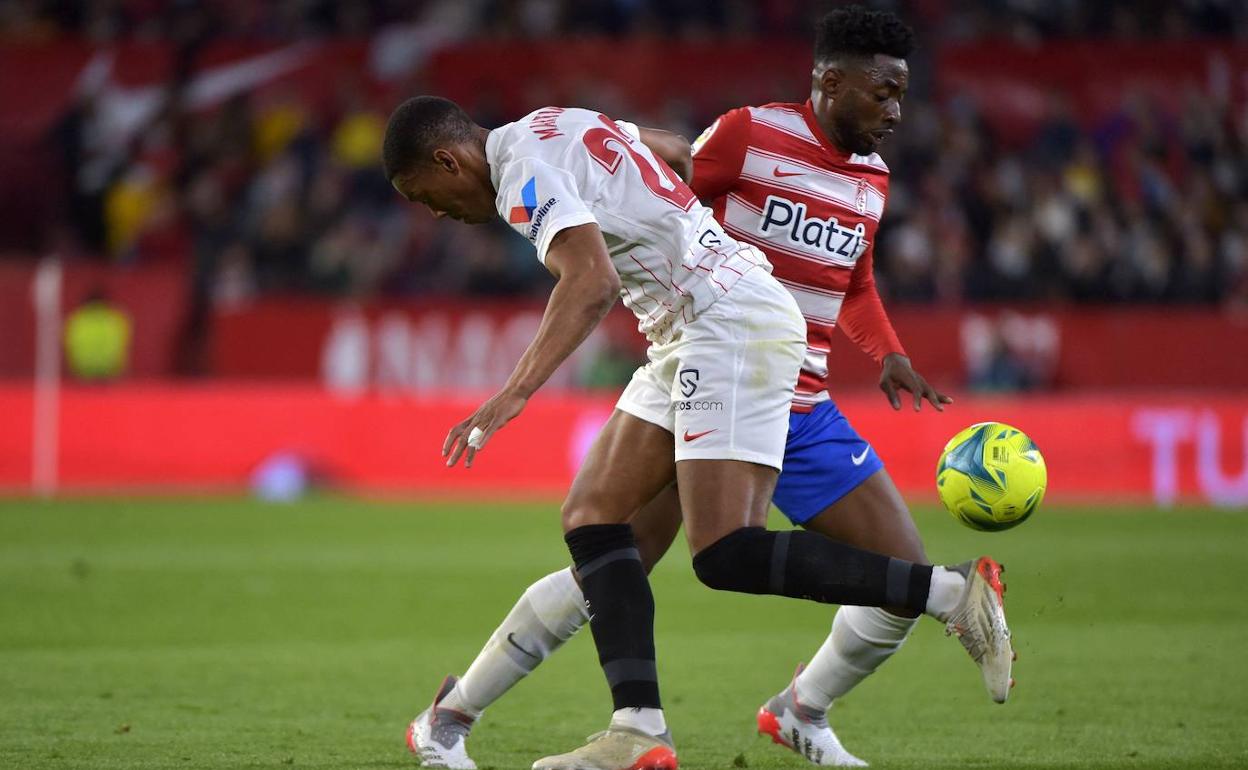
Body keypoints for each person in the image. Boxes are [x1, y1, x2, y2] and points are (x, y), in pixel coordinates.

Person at [385, 82, 1009, 770]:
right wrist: (675, 233)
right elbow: (676, 152)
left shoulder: (517, 179)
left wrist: (512, 393)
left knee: (724, 553)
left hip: (723, 324)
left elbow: (588, 281)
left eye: (422, 196)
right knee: (593, 518)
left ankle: (949, 593)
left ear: (448, 161)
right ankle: (635, 728)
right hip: (688, 326)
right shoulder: (554, 123)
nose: (435, 213)